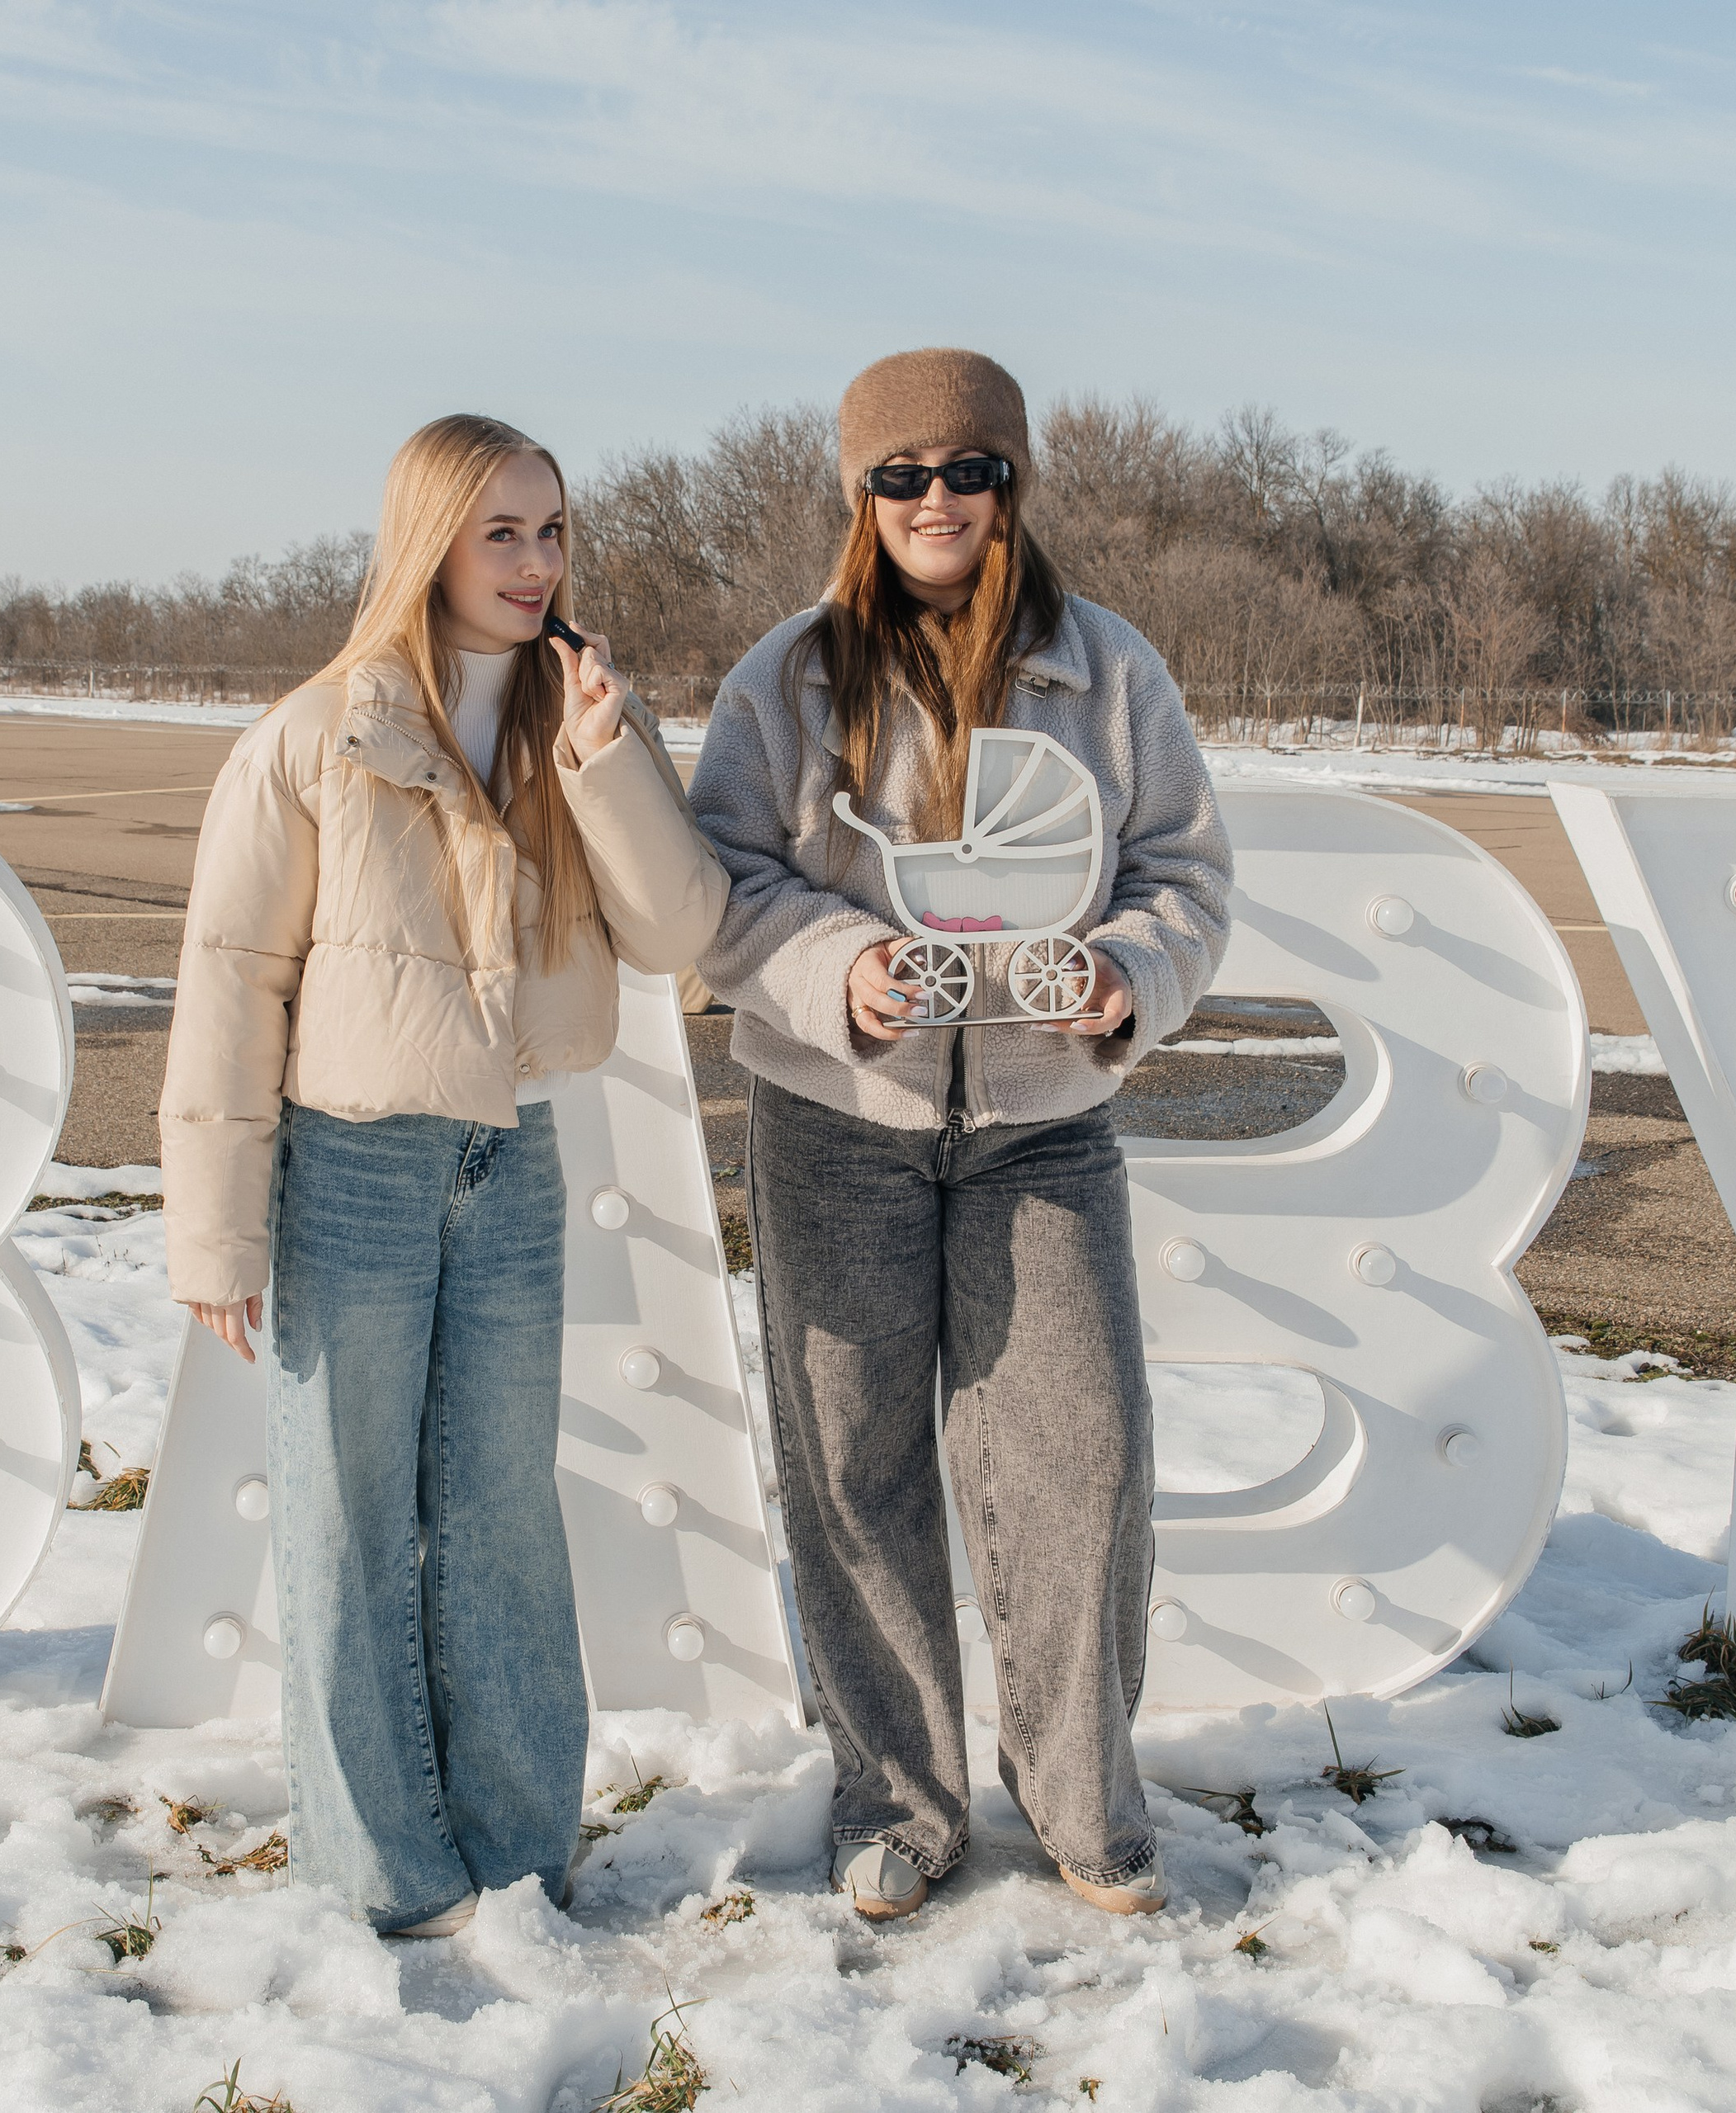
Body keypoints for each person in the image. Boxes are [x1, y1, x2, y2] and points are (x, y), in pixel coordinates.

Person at [159, 414, 729, 1936]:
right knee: (346, 1514)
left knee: (501, 1511)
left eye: (554, 531)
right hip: (353, 1164)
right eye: (502, 533)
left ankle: (521, 1850)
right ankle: (381, 1867)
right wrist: (216, 1235)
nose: (536, 564)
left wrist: (605, 756)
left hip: (513, 1157)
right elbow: (231, 983)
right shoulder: (316, 734)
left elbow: (680, 933)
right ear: (430, 543)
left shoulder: (580, 722)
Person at [690, 349, 1232, 1921]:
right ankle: (897, 1803)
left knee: (1085, 1456)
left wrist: (1127, 975)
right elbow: (724, 882)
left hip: (1043, 1127)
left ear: (1013, 483)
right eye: (903, 474)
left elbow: (1185, 873)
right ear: (860, 493)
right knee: (852, 1467)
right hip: (834, 1119)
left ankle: (1081, 1798)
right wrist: (834, 968)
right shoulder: (789, 679)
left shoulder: (1108, 671)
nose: (938, 499)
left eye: (970, 470)